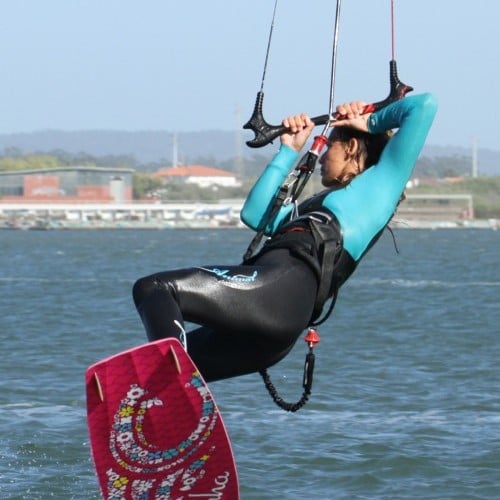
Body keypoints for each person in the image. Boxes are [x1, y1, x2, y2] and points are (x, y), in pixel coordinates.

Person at [133, 93, 438, 382]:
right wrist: (288, 150)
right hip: (273, 325)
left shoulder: (379, 190)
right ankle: (156, 423)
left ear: (352, 147)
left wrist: (370, 120)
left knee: (157, 289)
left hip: (278, 297)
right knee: (148, 374)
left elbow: (424, 106)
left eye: (330, 144)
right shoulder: (316, 208)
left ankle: (170, 393)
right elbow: (255, 215)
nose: (319, 157)